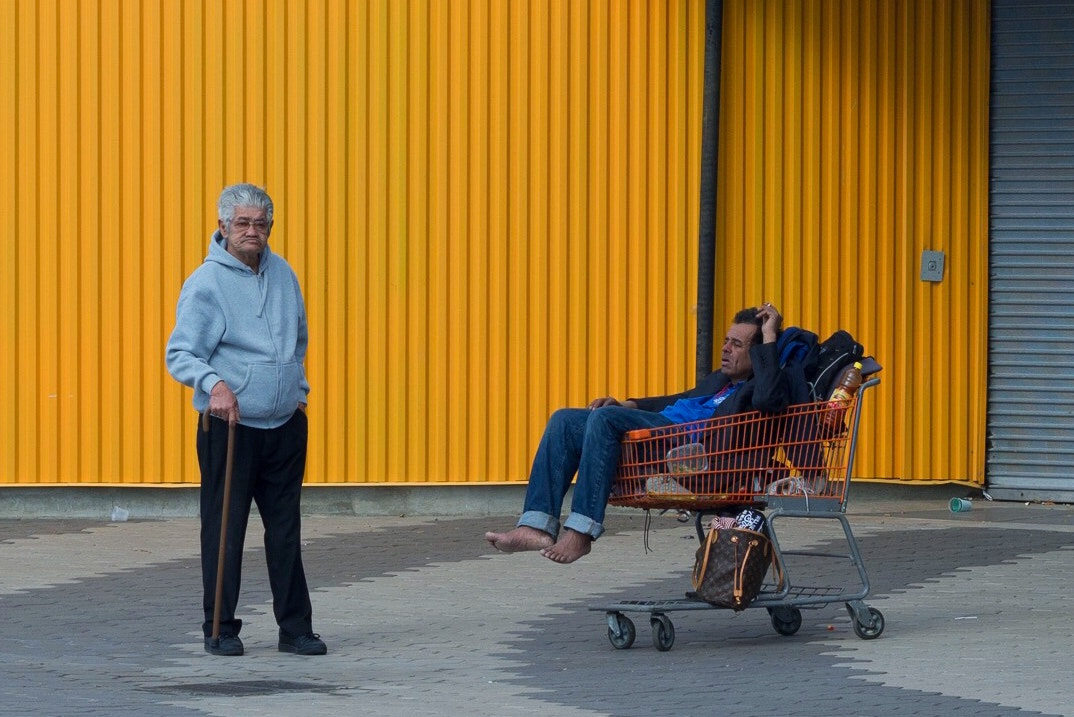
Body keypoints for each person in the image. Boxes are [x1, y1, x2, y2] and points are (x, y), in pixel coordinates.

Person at [485, 303, 805, 564]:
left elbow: (768, 399)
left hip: (693, 449)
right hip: (663, 432)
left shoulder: (765, 386)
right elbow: (675, 401)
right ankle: (535, 524)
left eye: (737, 344)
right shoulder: (718, 382)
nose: (725, 349)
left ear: (761, 353)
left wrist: (769, 337)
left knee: (607, 420)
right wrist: (627, 404)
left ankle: (581, 532)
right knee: (565, 420)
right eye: (725, 340)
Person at [165, 183, 327, 657]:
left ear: (270, 227)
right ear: (222, 227)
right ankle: (220, 628)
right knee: (225, 528)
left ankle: (295, 629)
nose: (252, 231)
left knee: (285, 530)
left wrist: (298, 392)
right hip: (231, 429)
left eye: (260, 223)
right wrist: (214, 385)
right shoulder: (206, 283)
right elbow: (180, 352)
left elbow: (298, 338)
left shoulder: (283, 275)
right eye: (242, 223)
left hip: (284, 425)